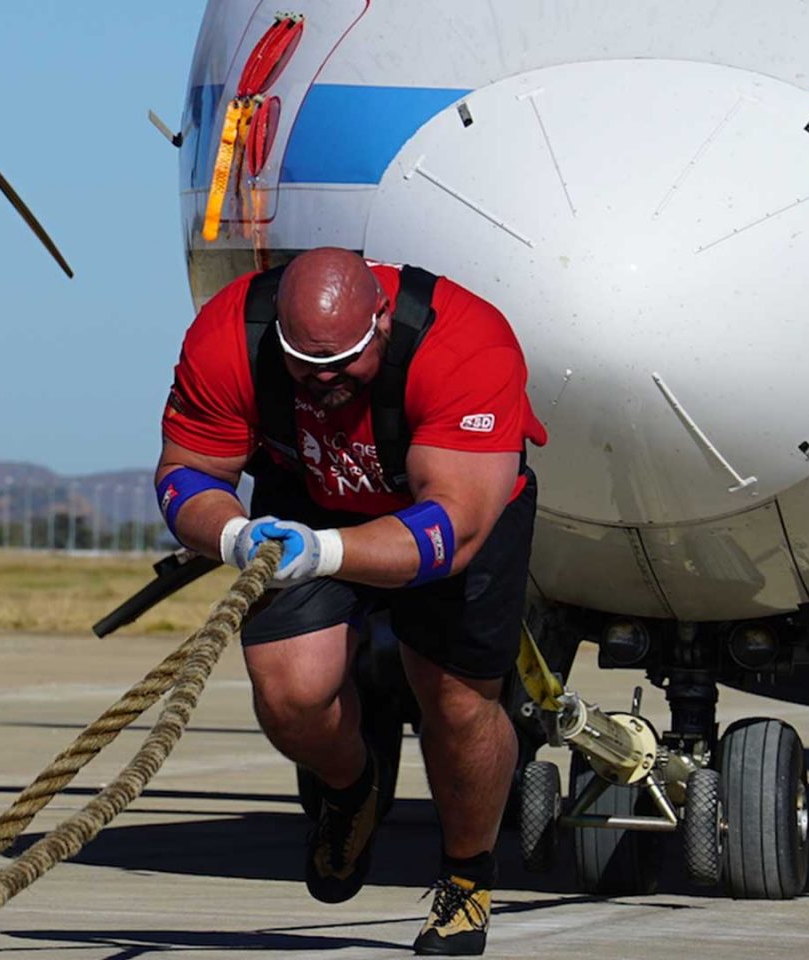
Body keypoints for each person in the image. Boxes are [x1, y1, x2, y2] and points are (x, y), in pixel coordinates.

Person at [155, 247, 546, 957]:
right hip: (305, 495)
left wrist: (324, 552)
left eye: (344, 363)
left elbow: (451, 530)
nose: (324, 380)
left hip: (450, 513)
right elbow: (187, 475)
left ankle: (466, 879)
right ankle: (351, 787)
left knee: (458, 706)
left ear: (382, 321)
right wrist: (239, 536)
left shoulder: (466, 341)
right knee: (290, 693)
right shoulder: (229, 336)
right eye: (305, 365)